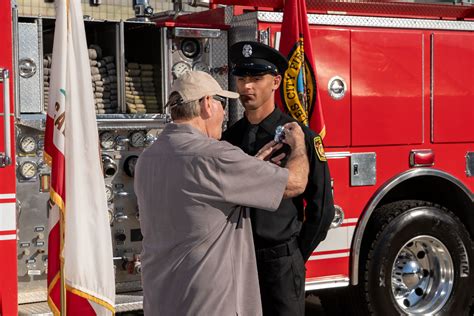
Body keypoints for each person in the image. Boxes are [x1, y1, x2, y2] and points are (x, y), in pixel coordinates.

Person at [134, 70, 310, 316]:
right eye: (221, 102)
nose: (224, 112)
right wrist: (300, 142)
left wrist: (251, 168)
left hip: (161, 301)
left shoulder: (147, 158)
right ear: (207, 103)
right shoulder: (215, 155)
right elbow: (296, 183)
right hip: (209, 305)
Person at [223, 41, 336, 315]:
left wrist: (296, 255)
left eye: (256, 79)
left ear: (276, 82)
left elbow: (322, 210)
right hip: (237, 260)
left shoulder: (299, 138)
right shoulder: (228, 139)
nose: (247, 87)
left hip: (280, 263)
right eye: (242, 79)